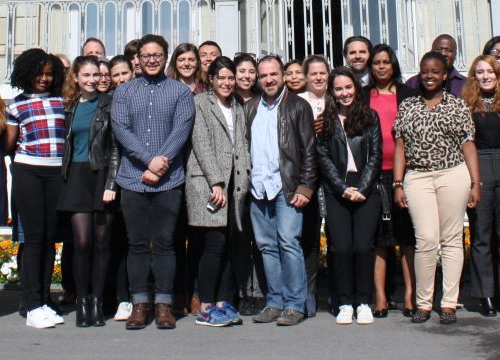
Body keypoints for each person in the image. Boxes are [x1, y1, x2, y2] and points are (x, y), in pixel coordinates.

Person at [111, 34, 195, 330]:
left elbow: (181, 129)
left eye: (157, 55)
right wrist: (148, 161)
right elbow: (121, 128)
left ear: (165, 56)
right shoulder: (124, 92)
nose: (151, 60)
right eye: (146, 55)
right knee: (135, 244)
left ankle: (163, 304)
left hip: (169, 180)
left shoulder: (179, 92)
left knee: (165, 243)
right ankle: (139, 305)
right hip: (133, 179)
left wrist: (160, 163)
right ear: (138, 58)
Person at [393, 51, 480, 324]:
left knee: (452, 239)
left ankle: (449, 303)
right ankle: (423, 302)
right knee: (426, 239)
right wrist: (398, 183)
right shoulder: (408, 105)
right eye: (425, 71)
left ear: (445, 75)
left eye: (435, 72)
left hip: (452, 175)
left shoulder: (457, 105)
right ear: (419, 74)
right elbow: (400, 147)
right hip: (418, 177)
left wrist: (476, 183)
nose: (429, 76)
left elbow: (468, 146)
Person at [246, 54, 317, 326]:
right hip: (258, 188)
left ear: (283, 75)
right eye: (263, 75)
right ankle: (275, 301)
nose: (269, 79)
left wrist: (305, 186)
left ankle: (295, 304)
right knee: (266, 246)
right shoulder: (252, 107)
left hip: (286, 187)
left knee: (288, 242)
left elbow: (309, 150)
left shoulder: (298, 106)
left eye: (273, 74)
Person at [185, 56, 250, 326]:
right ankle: (206, 305)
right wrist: (216, 182)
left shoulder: (237, 106)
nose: (226, 82)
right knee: (214, 245)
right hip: (207, 184)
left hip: (234, 186)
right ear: (211, 79)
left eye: (230, 78)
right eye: (220, 77)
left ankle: (223, 302)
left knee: (226, 246)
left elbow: (242, 146)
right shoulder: (200, 103)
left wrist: (245, 179)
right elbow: (201, 143)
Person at [5, 48, 66, 328]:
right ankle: (31, 304)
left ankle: (44, 298)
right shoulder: (15, 105)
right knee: (34, 236)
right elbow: (9, 144)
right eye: (39, 73)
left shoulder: (62, 101)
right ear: (27, 73)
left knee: (51, 237)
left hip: (56, 173)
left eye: (48, 73)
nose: (44, 78)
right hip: (27, 169)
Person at [316, 66, 382, 325]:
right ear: (332, 93)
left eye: (348, 87)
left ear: (356, 87)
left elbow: (375, 156)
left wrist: (362, 188)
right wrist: (342, 188)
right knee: (340, 248)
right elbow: (323, 157)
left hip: (366, 188)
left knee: (363, 247)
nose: (344, 93)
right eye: (338, 89)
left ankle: (363, 300)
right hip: (337, 189)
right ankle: (344, 302)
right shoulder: (325, 122)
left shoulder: (370, 117)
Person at [57, 55, 119, 327]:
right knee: (81, 243)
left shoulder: (109, 104)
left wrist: (111, 184)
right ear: (76, 78)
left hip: (102, 174)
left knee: (103, 242)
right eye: (87, 76)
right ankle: (82, 300)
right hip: (77, 177)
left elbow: (116, 147)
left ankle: (97, 301)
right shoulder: (69, 107)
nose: (94, 80)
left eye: (97, 75)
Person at [363, 44, 416, 318]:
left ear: (393, 65)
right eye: (376, 62)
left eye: (386, 62)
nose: (381, 66)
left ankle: (409, 295)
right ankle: (380, 298)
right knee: (379, 238)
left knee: (406, 235)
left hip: (405, 173)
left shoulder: (408, 94)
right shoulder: (363, 96)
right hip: (373, 173)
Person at [462, 55, 500, 317]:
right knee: (481, 234)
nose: (485, 76)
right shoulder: (468, 105)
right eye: (480, 72)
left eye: (491, 72)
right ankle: (485, 294)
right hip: (480, 165)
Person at [231, 52, 267, 316]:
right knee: (241, 238)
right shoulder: (228, 101)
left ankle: (259, 291)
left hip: (260, 175)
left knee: (260, 237)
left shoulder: (263, 101)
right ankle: (243, 291)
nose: (246, 76)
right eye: (241, 71)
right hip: (234, 178)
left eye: (250, 72)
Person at [297, 54, 330, 317]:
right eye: (314, 74)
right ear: (305, 77)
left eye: (322, 73)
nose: (318, 78)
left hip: (336, 178)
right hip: (307, 176)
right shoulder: (298, 103)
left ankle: (339, 290)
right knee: (307, 237)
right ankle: (309, 291)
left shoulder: (337, 98)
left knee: (337, 237)